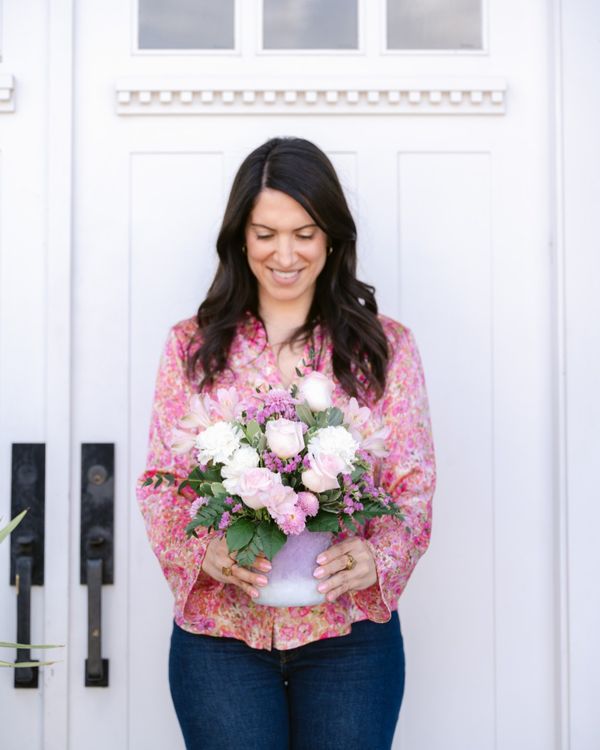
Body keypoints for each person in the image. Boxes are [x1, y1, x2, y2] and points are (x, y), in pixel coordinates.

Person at [135, 136, 436, 750]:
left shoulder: (383, 348)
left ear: (332, 238)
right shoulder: (192, 348)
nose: (286, 254)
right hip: (220, 637)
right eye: (265, 233)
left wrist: (378, 557)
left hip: (350, 638)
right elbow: (162, 483)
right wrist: (202, 552)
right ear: (240, 239)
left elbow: (413, 483)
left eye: (304, 233)